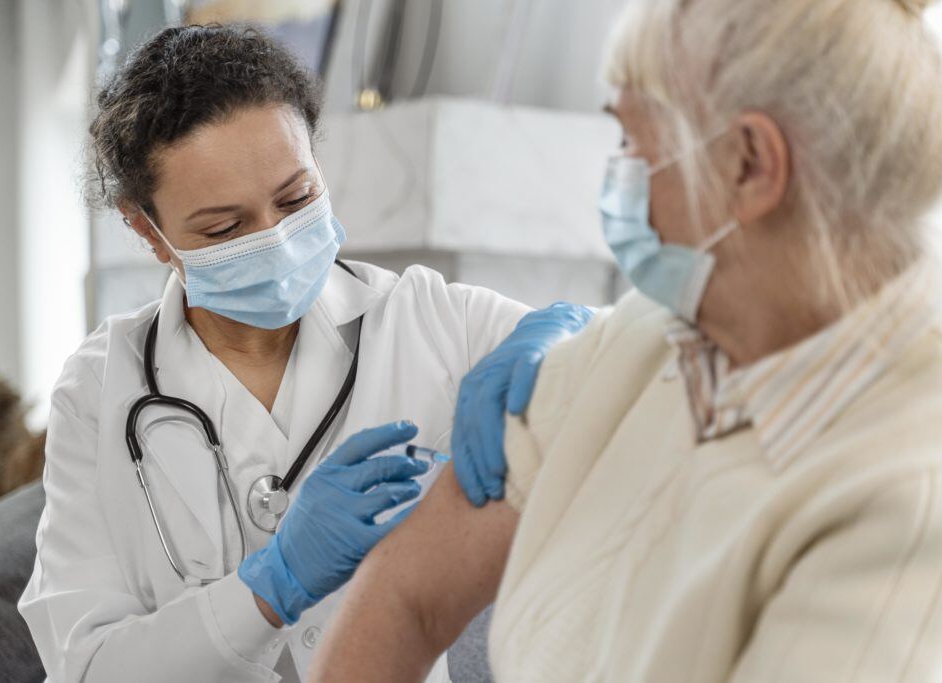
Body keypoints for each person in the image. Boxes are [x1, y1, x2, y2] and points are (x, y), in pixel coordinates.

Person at [308, 0, 942, 680]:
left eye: (635, 145)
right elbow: (407, 596)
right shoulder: (639, 342)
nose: (616, 181)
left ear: (751, 164)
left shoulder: (903, 499)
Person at [17, 25, 593, 683]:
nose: (279, 239)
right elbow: (86, 666)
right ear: (146, 228)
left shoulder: (428, 320)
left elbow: (638, 354)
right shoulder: (100, 391)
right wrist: (270, 585)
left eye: (297, 198)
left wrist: (562, 331)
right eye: (225, 227)